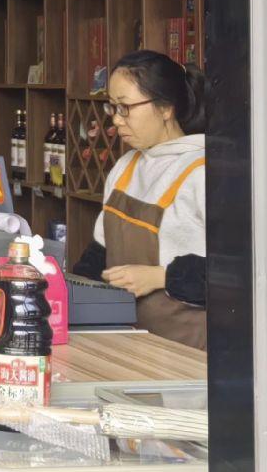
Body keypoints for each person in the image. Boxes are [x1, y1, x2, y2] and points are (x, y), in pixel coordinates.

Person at [72, 51, 207, 350]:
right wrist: (67, 289)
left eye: (125, 108)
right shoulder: (125, 167)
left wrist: (161, 278)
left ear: (166, 108)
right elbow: (100, 253)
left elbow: (238, 276)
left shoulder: (203, 172)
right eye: (112, 107)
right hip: (125, 343)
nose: (116, 119)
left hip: (186, 354)